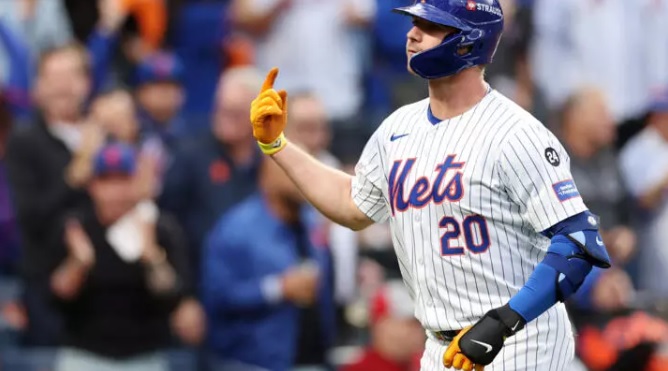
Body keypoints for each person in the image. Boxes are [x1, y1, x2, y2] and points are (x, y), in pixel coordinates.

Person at [248, 0, 611, 370]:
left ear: (469, 40)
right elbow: (352, 204)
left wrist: (504, 320)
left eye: (431, 26)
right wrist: (277, 145)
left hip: (521, 343)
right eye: (414, 23)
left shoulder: (516, 134)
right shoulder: (396, 130)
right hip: (440, 347)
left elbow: (578, 244)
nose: (412, 34)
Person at [51, 142, 191, 371]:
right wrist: (78, 263)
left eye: (123, 180)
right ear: (93, 185)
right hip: (83, 355)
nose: (114, 192)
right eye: (106, 181)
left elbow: (173, 295)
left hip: (144, 357)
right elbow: (54, 299)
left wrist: (152, 257)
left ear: (136, 182)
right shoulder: (75, 227)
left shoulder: (160, 228)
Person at [201, 155, 335, 371]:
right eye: (289, 167)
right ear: (265, 176)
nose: (301, 174)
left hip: (314, 358)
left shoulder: (313, 222)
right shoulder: (236, 228)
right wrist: (277, 288)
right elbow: (217, 297)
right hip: (254, 362)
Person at [343, 280, 425, 371]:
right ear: (381, 326)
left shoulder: (424, 363)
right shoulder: (360, 368)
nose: (418, 331)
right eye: (410, 324)